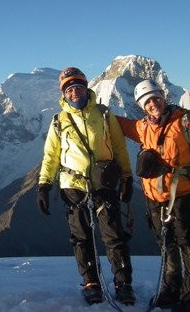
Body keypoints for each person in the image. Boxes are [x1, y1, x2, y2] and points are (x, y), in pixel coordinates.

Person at [37, 67, 135, 305]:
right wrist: (44, 184)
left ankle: (123, 283)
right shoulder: (59, 121)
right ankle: (91, 282)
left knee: (113, 235)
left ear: (86, 88)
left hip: (105, 182)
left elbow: (119, 147)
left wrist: (127, 176)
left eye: (78, 87)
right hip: (73, 185)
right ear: (64, 93)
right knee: (81, 237)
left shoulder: (103, 114)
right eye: (69, 89)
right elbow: (51, 156)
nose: (74, 92)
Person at [116, 79, 190, 311]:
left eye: (156, 97)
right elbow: (123, 125)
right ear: (142, 106)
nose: (153, 103)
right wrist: (100, 113)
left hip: (183, 194)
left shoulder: (186, 121)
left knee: (187, 244)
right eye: (148, 101)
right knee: (166, 244)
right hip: (154, 198)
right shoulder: (143, 127)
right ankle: (170, 290)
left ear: (163, 97)